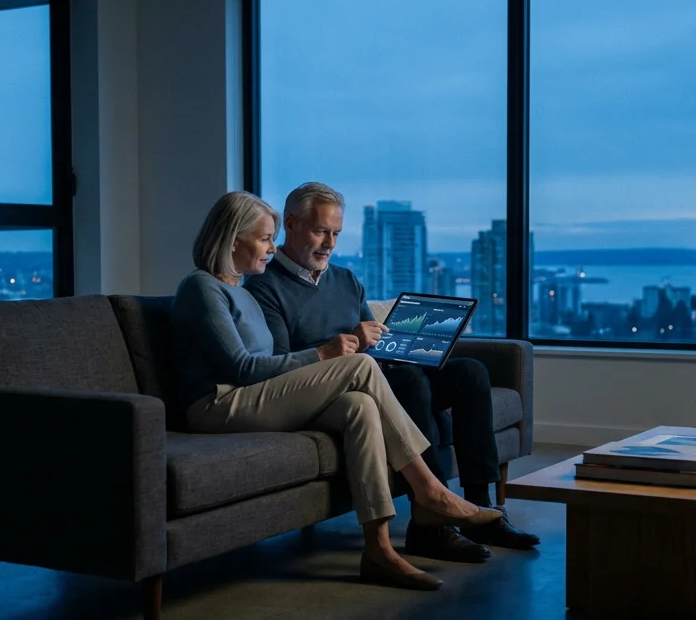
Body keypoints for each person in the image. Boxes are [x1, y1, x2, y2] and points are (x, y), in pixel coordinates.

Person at [171, 190, 504, 591]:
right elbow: (241, 369)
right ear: (233, 238)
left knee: (359, 406)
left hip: (253, 395)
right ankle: (430, 491)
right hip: (217, 404)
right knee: (361, 367)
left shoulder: (242, 288)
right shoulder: (202, 288)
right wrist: (326, 353)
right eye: (264, 239)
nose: (271, 247)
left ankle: (379, 550)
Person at [243, 182, 540, 563]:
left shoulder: (346, 279)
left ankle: (481, 509)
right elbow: (282, 364)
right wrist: (350, 342)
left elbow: (375, 339)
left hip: (380, 373)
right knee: (409, 382)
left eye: (336, 233)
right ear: (290, 223)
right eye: (321, 231)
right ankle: (430, 525)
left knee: (470, 373)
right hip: (332, 389)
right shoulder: (265, 287)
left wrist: (411, 347)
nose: (329, 244)